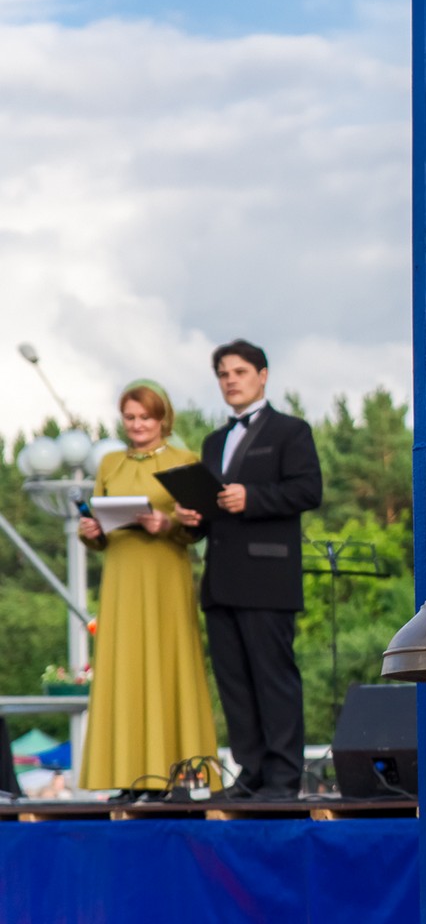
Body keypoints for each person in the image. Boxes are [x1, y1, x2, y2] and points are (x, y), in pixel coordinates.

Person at [175, 340, 323, 800]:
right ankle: (252, 772)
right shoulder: (213, 441)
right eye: (223, 374)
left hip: (267, 579)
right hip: (219, 581)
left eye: (239, 371)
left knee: (273, 679)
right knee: (234, 684)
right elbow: (211, 506)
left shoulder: (291, 431)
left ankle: (282, 778)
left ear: (262, 375)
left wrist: (253, 498)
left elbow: (308, 491)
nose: (230, 380)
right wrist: (193, 518)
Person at [77, 381, 218, 796]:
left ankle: (176, 776)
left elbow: (200, 526)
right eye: (130, 418)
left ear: (162, 419)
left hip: (165, 576)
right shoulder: (109, 464)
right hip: (120, 576)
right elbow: (97, 527)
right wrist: (90, 531)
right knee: (123, 669)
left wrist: (167, 524)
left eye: (146, 417)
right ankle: (125, 777)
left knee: (166, 662)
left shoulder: (185, 459)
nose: (137, 425)